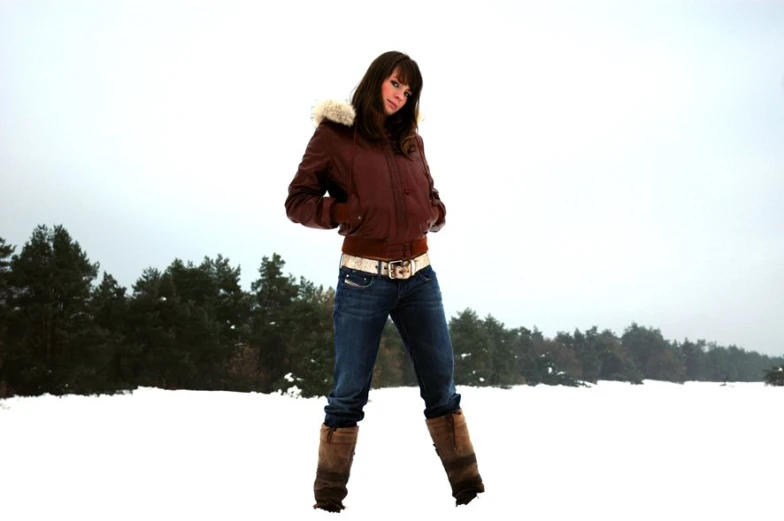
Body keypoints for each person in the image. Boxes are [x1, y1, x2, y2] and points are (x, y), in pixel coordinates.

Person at [285, 51, 484, 512]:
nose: (400, 95)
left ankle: (471, 494)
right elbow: (298, 200)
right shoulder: (334, 135)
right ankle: (328, 499)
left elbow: (430, 193)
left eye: (409, 90)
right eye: (396, 83)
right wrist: (341, 212)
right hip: (362, 280)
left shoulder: (411, 141)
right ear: (377, 79)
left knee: (441, 384)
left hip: (419, 278)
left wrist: (434, 213)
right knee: (349, 391)